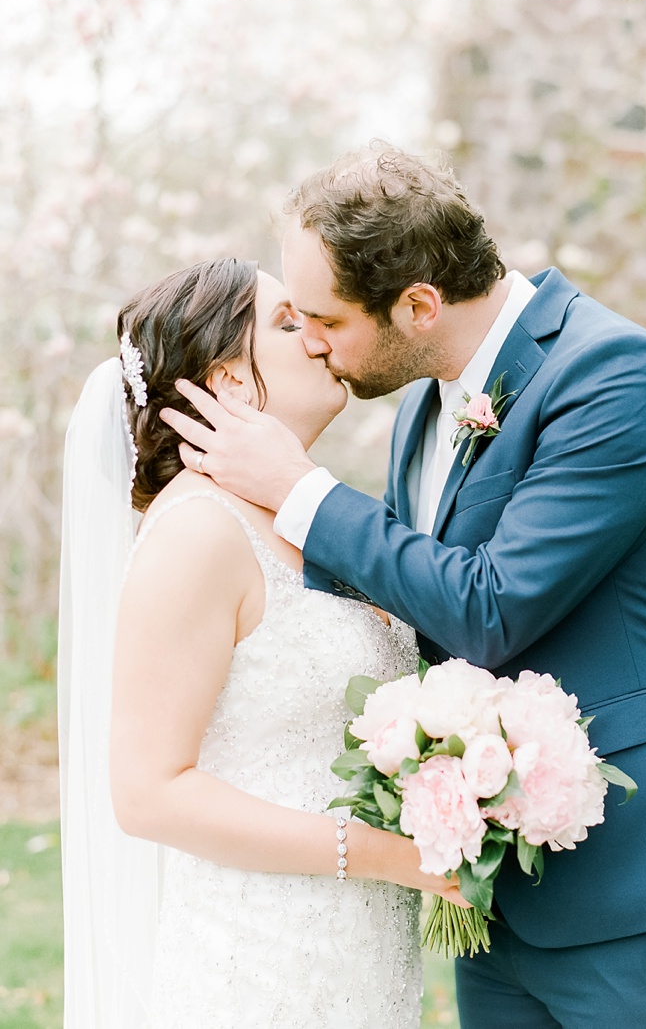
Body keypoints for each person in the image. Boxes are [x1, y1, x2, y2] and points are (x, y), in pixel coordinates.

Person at [162, 149, 646, 1029]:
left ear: (417, 304)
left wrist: (301, 491)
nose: (316, 343)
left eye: (326, 318)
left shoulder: (611, 376)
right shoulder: (423, 399)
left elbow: (489, 607)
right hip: (497, 895)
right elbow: (408, 587)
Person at [59, 256, 464, 1029]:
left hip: (359, 959)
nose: (318, 336)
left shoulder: (302, 516)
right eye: (288, 322)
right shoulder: (198, 531)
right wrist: (386, 855)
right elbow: (148, 793)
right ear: (230, 382)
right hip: (255, 964)